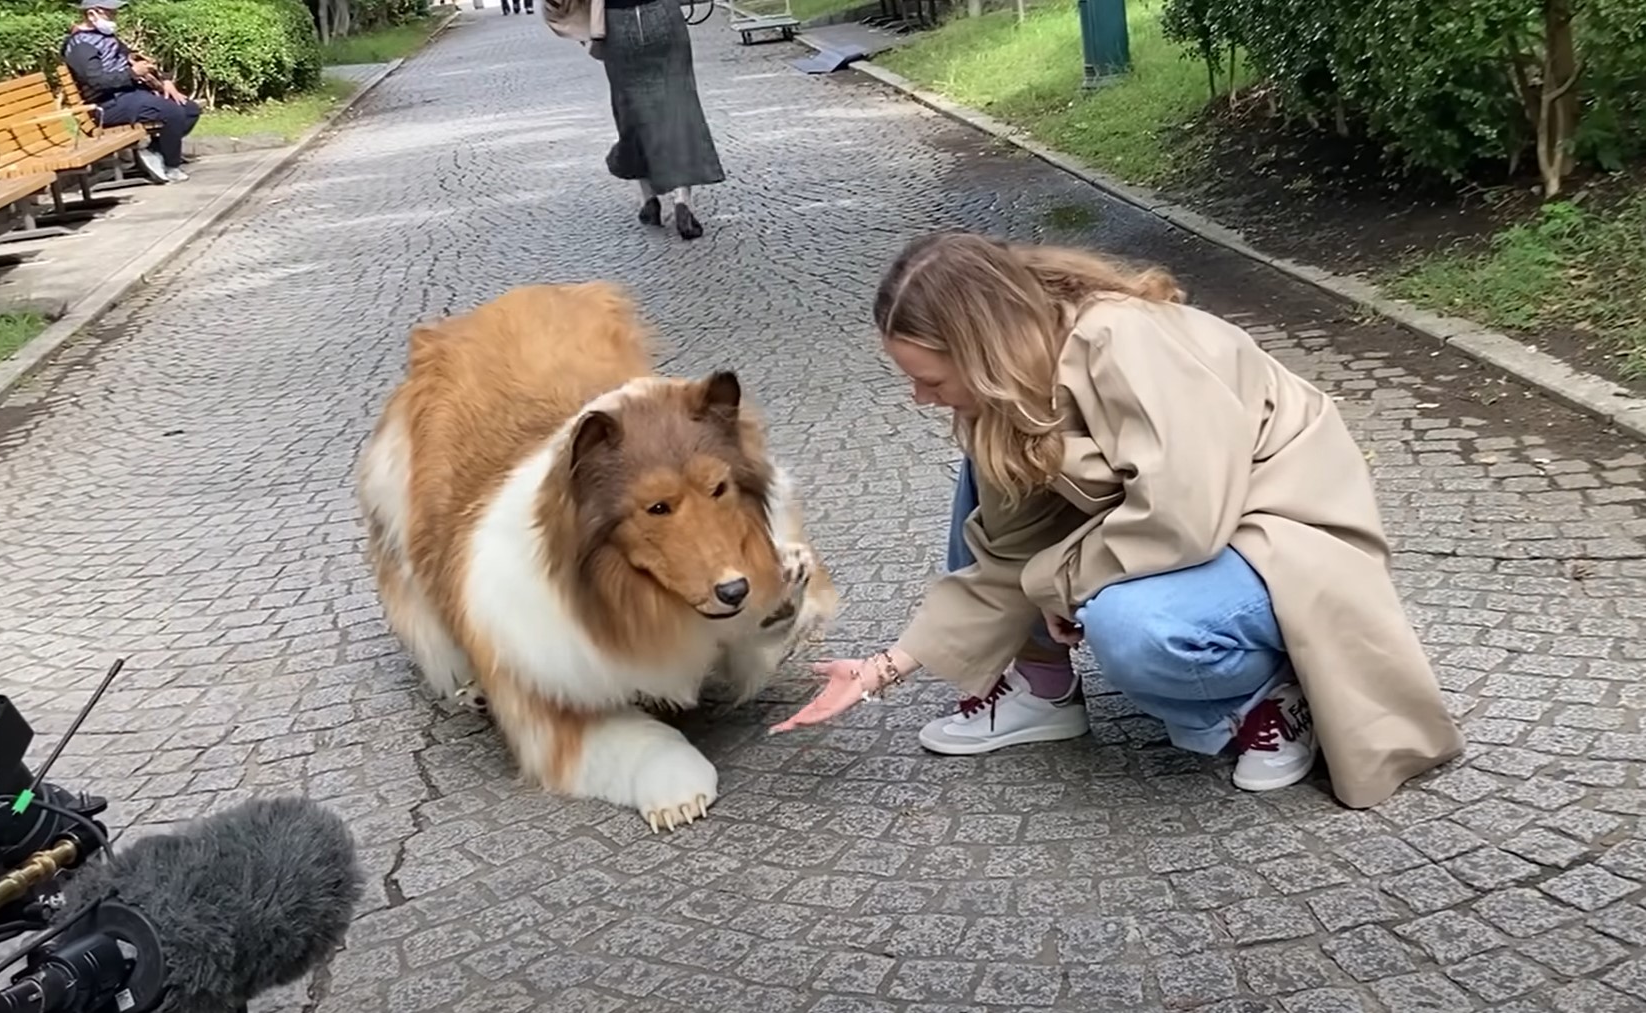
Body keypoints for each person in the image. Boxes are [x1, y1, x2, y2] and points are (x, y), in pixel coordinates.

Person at [771, 232, 1465, 808]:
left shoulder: (1122, 340)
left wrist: (1061, 580)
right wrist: (879, 668)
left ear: (981, 351)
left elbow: (1183, 516)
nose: (921, 398)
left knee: (1132, 624)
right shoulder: (1002, 398)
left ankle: (1269, 695)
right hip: (1197, 529)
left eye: (930, 378)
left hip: (1281, 525)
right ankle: (1040, 687)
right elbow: (1002, 557)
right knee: (984, 483)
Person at [543, 0, 724, 241]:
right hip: (663, 16)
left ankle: (648, 199)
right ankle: (683, 200)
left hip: (617, 23)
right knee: (679, 104)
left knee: (632, 111)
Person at [61, 0, 202, 185]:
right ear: (91, 14)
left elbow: (137, 59)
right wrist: (132, 74)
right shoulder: (80, 45)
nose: (114, 17)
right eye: (110, 13)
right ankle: (171, 166)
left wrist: (165, 81)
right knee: (172, 112)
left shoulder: (105, 36)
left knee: (189, 109)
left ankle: (155, 151)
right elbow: (95, 81)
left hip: (129, 95)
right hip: (106, 105)